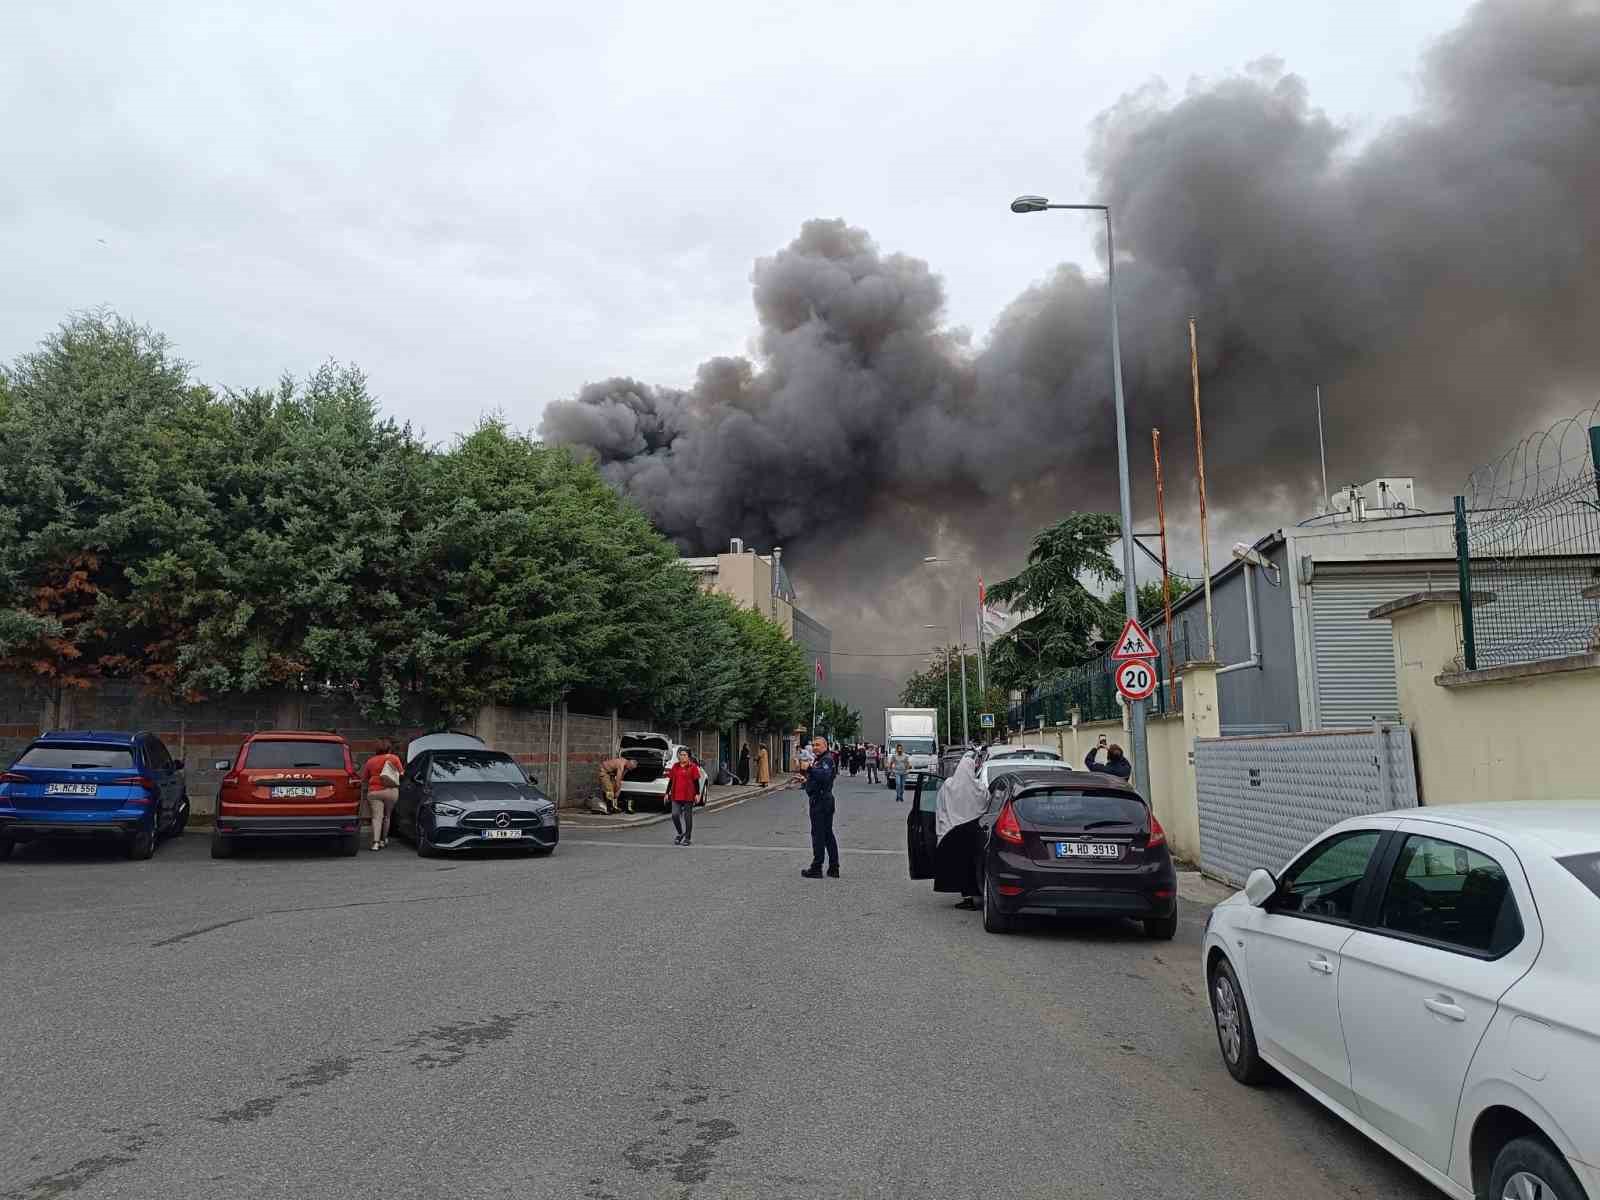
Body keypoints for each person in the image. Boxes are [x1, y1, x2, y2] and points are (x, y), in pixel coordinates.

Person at [935, 751, 987, 909]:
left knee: (960, 865)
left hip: (953, 831)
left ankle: (968, 897)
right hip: (973, 831)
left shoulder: (948, 785)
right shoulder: (979, 787)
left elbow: (940, 805)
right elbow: (986, 804)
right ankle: (978, 894)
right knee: (973, 864)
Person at [793, 735, 840, 879]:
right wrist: (805, 779)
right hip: (820, 800)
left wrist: (809, 769)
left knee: (819, 835)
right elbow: (818, 779)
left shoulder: (827, 759)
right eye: (813, 745)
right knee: (826, 835)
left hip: (821, 802)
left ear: (825, 746)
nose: (815, 747)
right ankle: (833, 867)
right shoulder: (820, 759)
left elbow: (824, 776)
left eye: (818, 745)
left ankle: (817, 867)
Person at [360, 737, 403, 851]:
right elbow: (401, 773)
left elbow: (364, 778)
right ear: (389, 748)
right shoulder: (394, 758)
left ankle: (375, 843)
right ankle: (384, 840)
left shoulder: (370, 761)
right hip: (391, 791)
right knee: (387, 816)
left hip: (374, 792)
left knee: (376, 817)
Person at [664, 747, 704, 845]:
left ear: (688, 756)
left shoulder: (693, 767)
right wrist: (666, 793)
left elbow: (696, 782)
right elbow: (671, 780)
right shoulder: (675, 766)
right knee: (675, 815)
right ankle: (680, 833)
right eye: (680, 755)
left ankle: (687, 838)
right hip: (676, 794)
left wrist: (697, 794)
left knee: (687, 817)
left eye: (684, 755)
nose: (682, 757)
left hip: (688, 795)